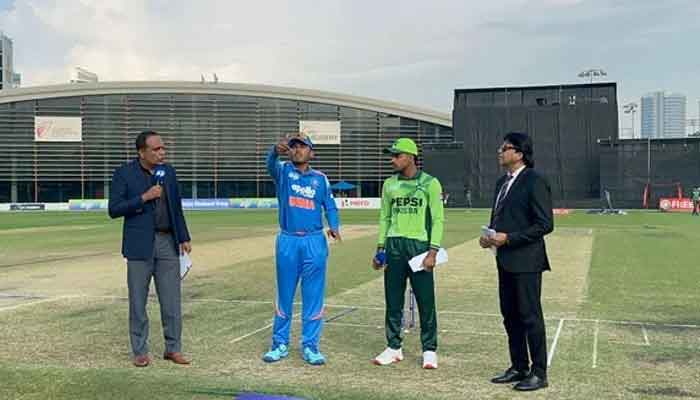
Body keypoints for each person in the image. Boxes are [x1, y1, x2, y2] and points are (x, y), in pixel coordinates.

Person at [108, 130, 192, 368]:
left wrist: (183, 236)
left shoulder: (169, 172)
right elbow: (114, 209)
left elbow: (176, 207)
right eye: (156, 149)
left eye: (163, 148)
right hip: (139, 245)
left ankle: (173, 348)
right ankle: (140, 351)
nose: (162, 152)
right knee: (138, 301)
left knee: (171, 301)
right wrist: (143, 198)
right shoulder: (124, 174)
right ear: (141, 152)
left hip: (168, 242)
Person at [480, 132, 553, 391]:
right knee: (510, 316)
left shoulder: (535, 180)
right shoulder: (502, 182)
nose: (500, 151)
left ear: (520, 154)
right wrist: (489, 237)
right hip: (504, 260)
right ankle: (519, 366)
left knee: (530, 317)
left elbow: (545, 224)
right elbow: (501, 218)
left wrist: (509, 238)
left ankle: (539, 373)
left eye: (505, 148)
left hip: (527, 261)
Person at [262, 132, 341, 366]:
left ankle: (310, 345)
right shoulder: (283, 172)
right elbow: (270, 164)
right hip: (288, 240)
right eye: (294, 146)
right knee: (285, 294)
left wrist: (334, 225)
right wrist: (274, 151)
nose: (297, 149)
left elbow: (330, 205)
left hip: (314, 242)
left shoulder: (320, 179)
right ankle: (279, 343)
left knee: (313, 295)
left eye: (302, 146)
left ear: (311, 153)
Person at [371, 138, 444, 369]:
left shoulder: (430, 183)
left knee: (425, 300)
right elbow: (384, 218)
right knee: (393, 299)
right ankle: (394, 347)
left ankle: (429, 350)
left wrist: (433, 251)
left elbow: (438, 219)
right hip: (394, 246)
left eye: (397, 155)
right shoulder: (389, 184)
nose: (392, 160)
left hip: (419, 246)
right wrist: (380, 248)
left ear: (411, 157)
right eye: (391, 156)